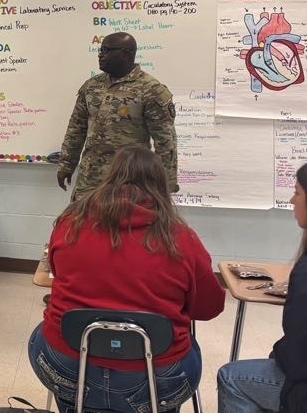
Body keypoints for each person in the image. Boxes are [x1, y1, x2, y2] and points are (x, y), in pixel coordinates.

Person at [29, 145, 224, 413]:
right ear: (160, 187)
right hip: (157, 376)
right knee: (185, 351)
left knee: (42, 339)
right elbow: (209, 308)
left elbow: (57, 274)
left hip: (68, 365)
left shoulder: (70, 223)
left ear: (110, 177)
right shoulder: (180, 238)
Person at [217, 162, 307, 412]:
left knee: (231, 376)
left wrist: (279, 352)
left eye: (297, 192)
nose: (291, 199)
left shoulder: (304, 273)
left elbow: (299, 357)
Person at [57, 32, 178, 202]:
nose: (100, 54)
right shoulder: (92, 86)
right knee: (83, 225)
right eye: (100, 49)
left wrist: (166, 184)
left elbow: (165, 142)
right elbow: (76, 128)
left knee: (123, 227)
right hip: (89, 178)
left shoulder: (150, 90)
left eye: (106, 50)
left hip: (129, 181)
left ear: (126, 53)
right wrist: (67, 164)